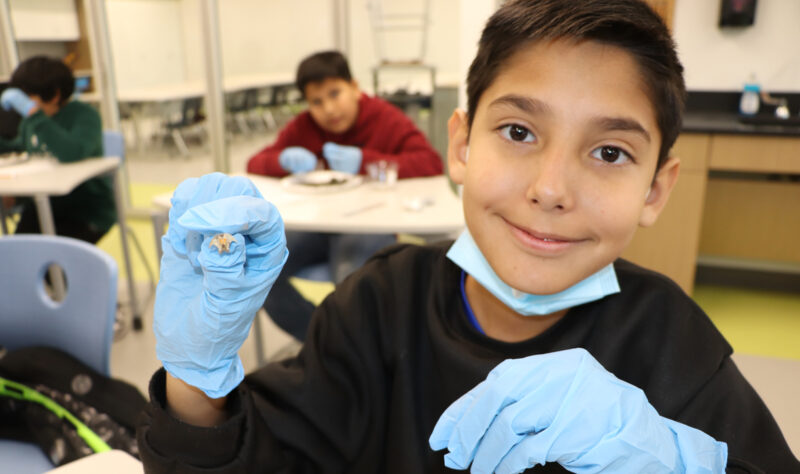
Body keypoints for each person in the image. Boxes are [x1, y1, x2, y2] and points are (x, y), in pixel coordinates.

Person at [137, 1, 800, 472]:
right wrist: (197, 380)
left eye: (609, 153)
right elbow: (262, 457)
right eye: (518, 133)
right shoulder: (379, 305)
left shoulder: (670, 340)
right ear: (460, 144)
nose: (550, 188)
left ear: (656, 189)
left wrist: (673, 463)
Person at [246, 50, 443, 341]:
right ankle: (324, 340)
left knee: (350, 278)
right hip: (318, 223)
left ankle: (349, 349)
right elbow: (255, 163)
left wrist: (365, 161)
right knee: (257, 263)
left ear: (355, 86)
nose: (328, 109)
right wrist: (282, 160)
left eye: (335, 93)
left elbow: (430, 162)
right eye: (316, 101)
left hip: (370, 221)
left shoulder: (385, 118)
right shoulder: (304, 126)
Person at [0, 56, 115, 244]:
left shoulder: (84, 116)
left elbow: (71, 153)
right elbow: (21, 148)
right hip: (43, 205)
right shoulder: (31, 122)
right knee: (18, 256)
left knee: (52, 263)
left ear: (54, 94)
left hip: (87, 211)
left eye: (27, 96)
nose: (22, 102)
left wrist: (34, 114)